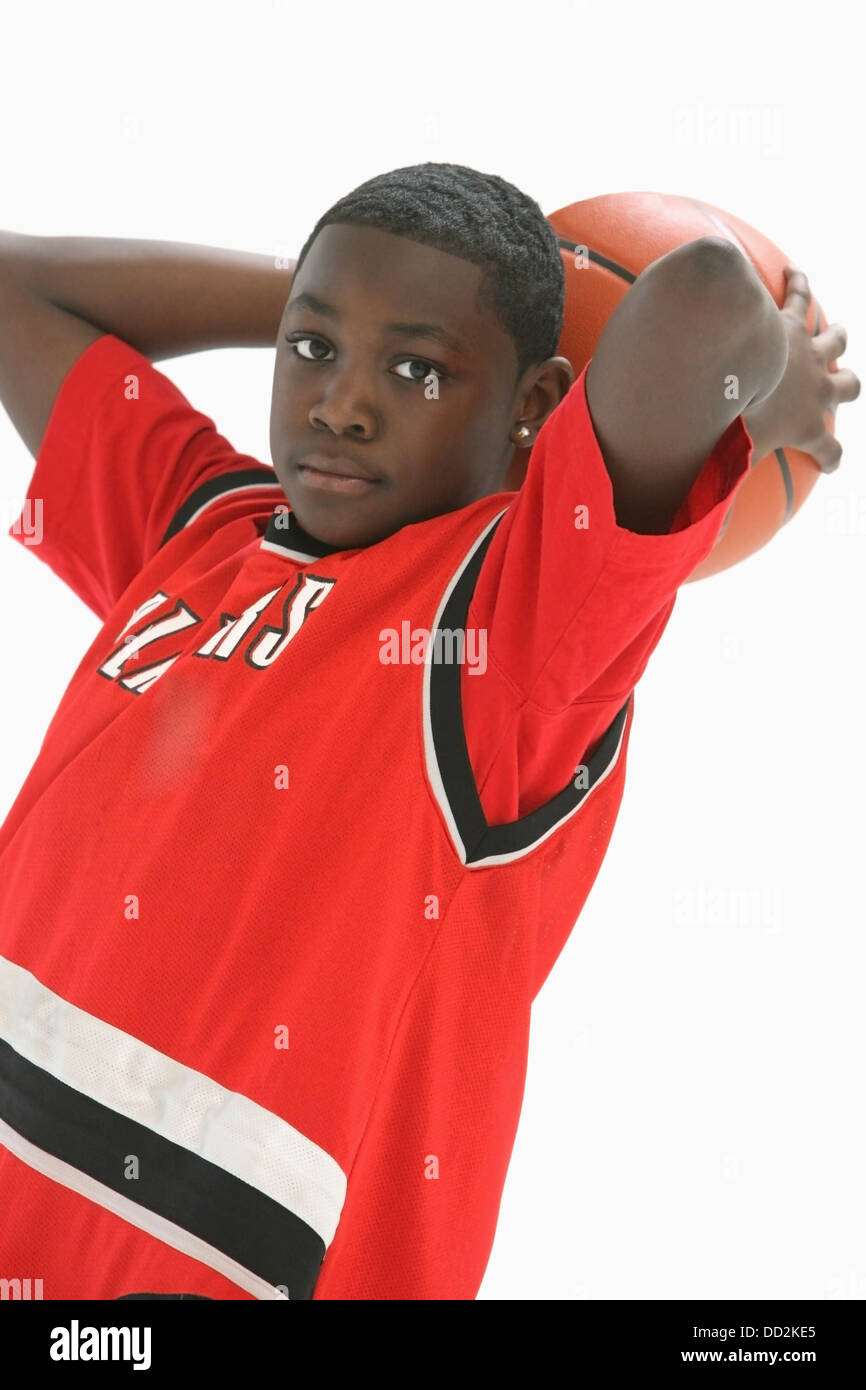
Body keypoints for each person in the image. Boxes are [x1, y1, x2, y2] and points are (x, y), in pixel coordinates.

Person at [0, 163, 858, 1300]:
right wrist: (328, 294)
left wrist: (768, 380)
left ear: (538, 402)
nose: (342, 403)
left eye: (417, 368)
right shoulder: (205, 526)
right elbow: (15, 288)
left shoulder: (518, 624)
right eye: (314, 353)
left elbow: (699, 294)